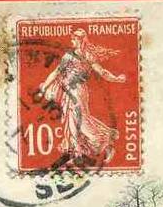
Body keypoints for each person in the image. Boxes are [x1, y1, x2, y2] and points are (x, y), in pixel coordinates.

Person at [38, 29, 126, 165]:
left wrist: (116, 79)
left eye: (74, 39)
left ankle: (104, 141)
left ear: (80, 40)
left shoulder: (86, 56)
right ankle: (77, 153)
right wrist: (45, 86)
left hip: (78, 91)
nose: (72, 41)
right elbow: (56, 72)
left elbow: (101, 71)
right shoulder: (70, 55)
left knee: (81, 120)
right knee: (71, 120)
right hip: (67, 92)